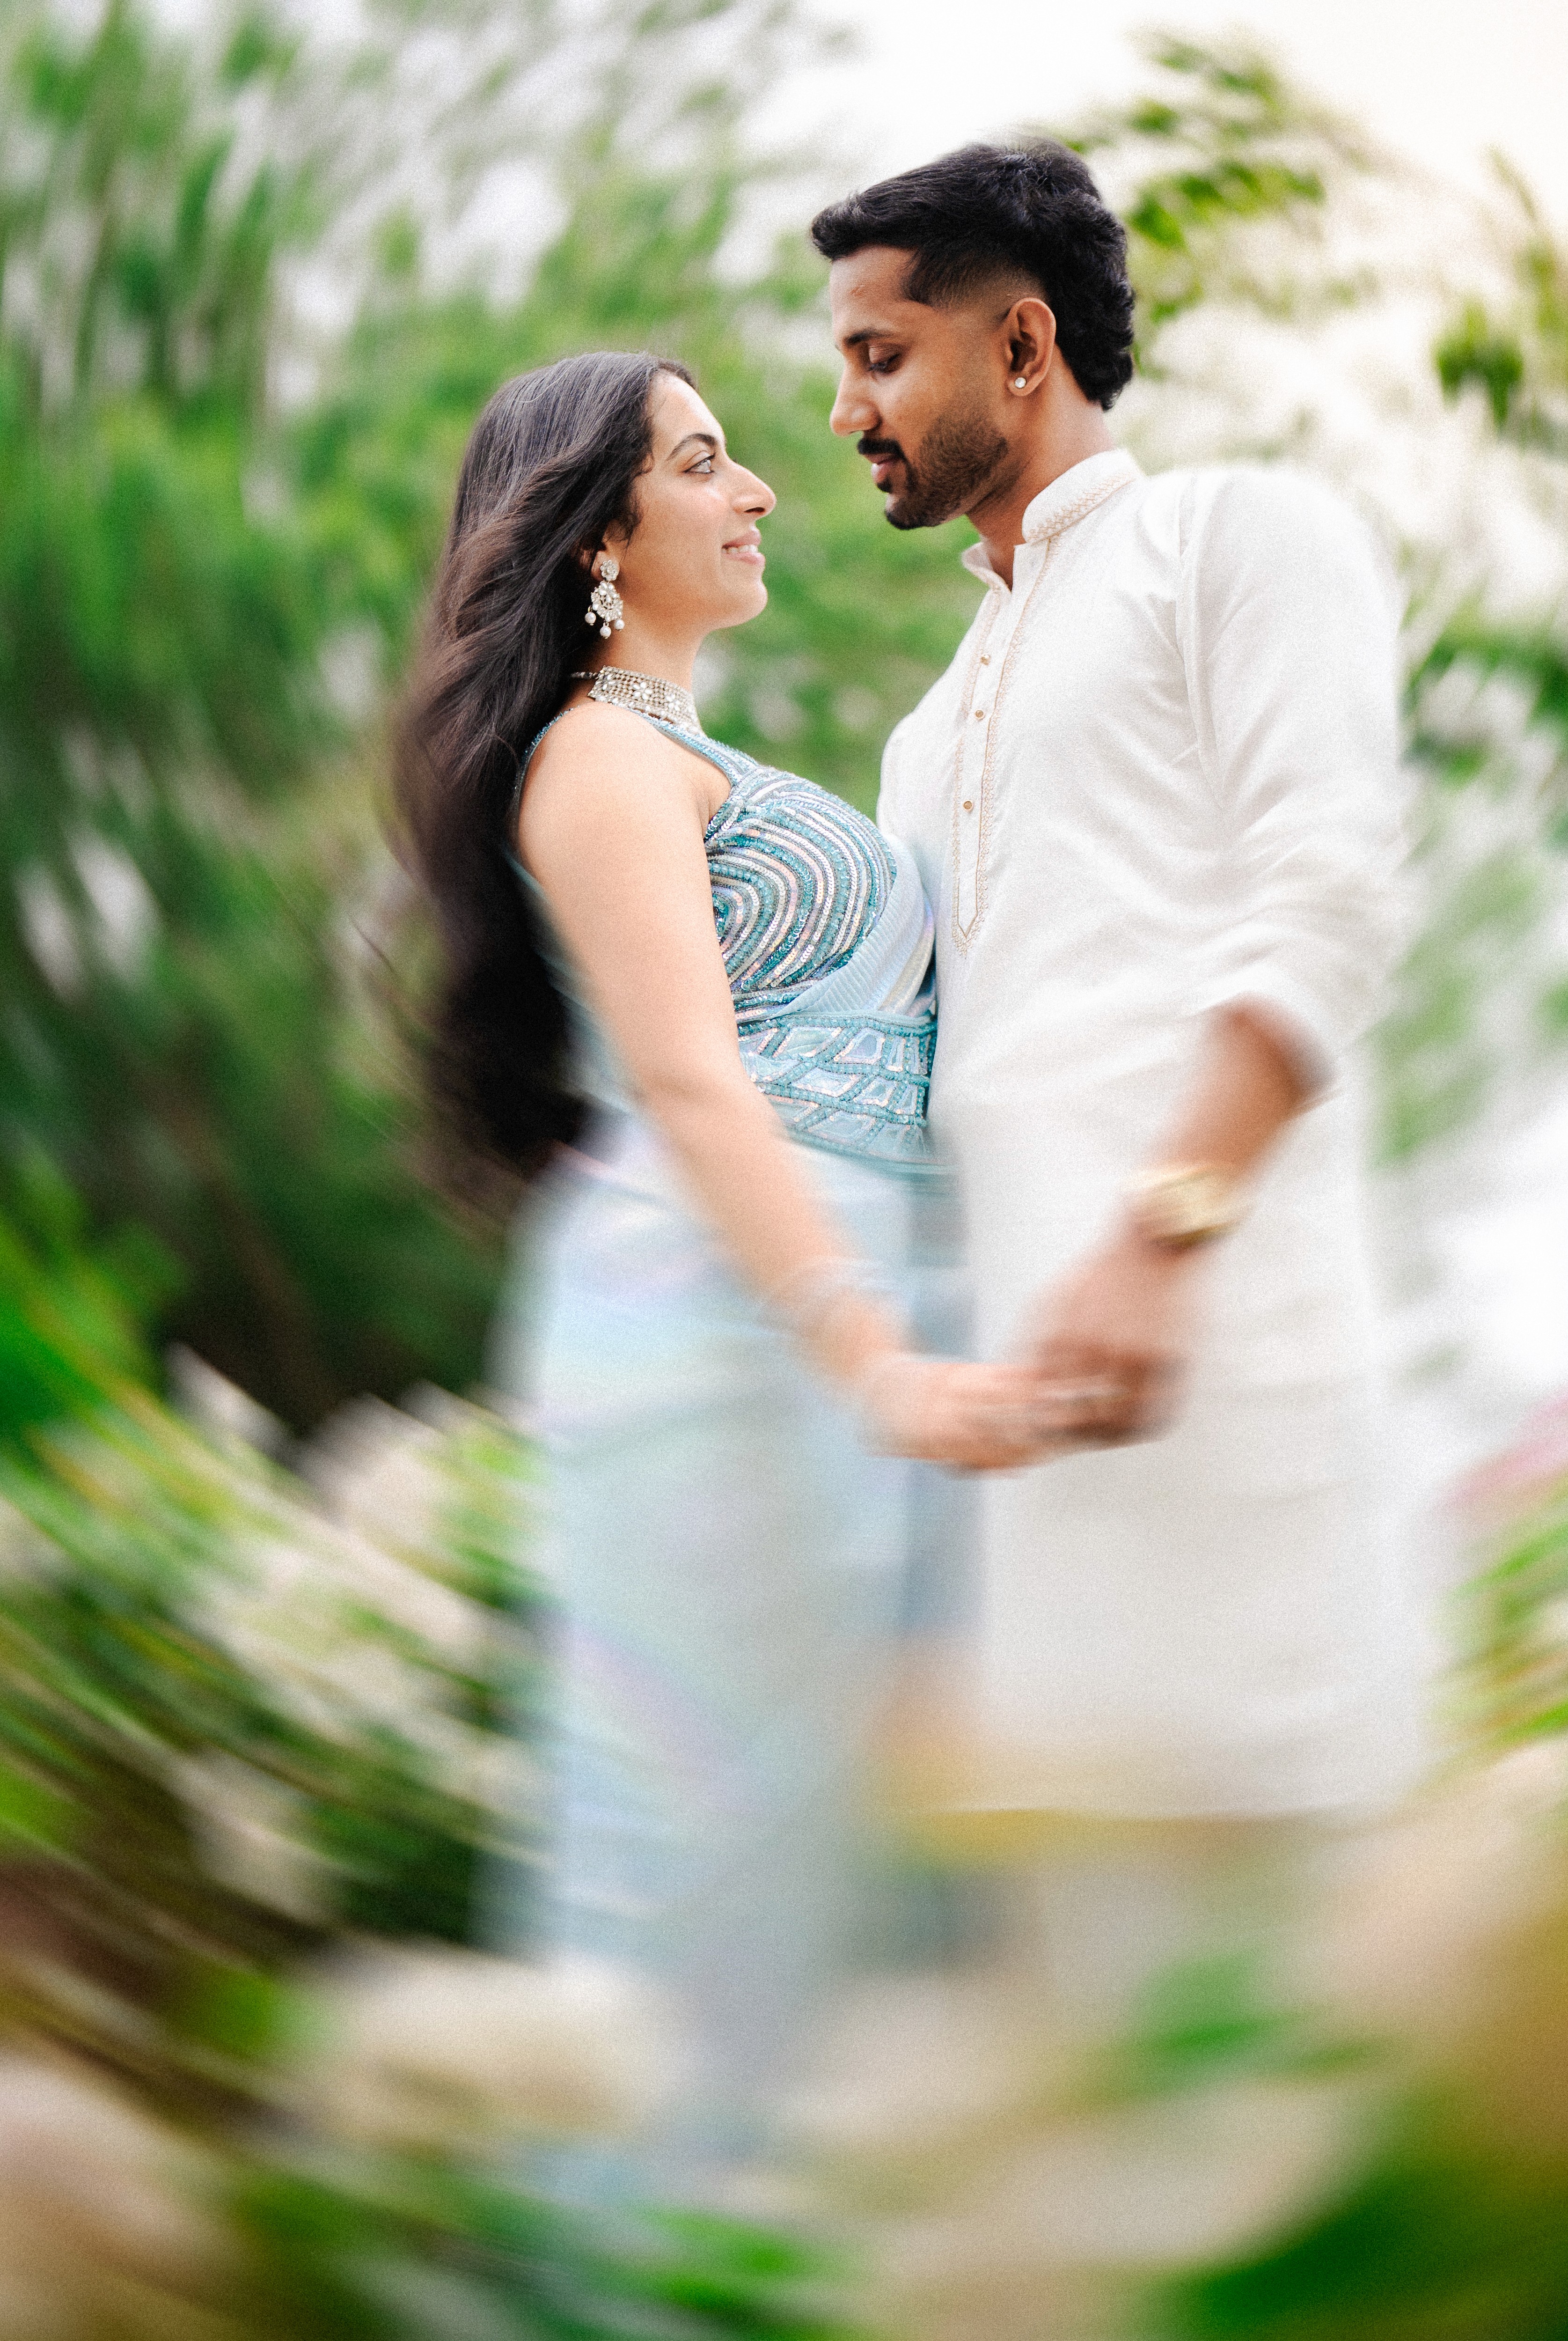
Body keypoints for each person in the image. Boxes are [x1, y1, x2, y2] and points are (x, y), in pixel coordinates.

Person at [392, 351, 1070, 2186]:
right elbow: (689, 1078)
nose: (760, 487)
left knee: (878, 1850)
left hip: (850, 1295)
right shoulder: (596, 762)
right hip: (731, 1318)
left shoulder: (703, 759)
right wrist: (874, 1359)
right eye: (705, 462)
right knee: (720, 1863)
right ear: (602, 532)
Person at [810, 145, 1430, 1862]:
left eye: (880, 355)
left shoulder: (1238, 537)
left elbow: (1334, 892)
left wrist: (1161, 1242)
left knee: (1286, 1967)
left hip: (1230, 1369)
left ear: (1022, 347)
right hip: (1025, 1459)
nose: (848, 411)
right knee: (1088, 1989)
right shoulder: (923, 740)